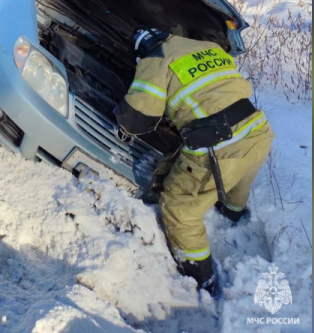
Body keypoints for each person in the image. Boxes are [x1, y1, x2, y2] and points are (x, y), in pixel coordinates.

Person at [114, 28, 273, 297]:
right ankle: (233, 211)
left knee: (179, 207)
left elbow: (138, 118)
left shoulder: (156, 58)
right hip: (258, 130)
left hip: (219, 145)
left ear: (144, 49)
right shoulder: (205, 45)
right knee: (240, 175)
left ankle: (201, 277)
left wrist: (121, 116)